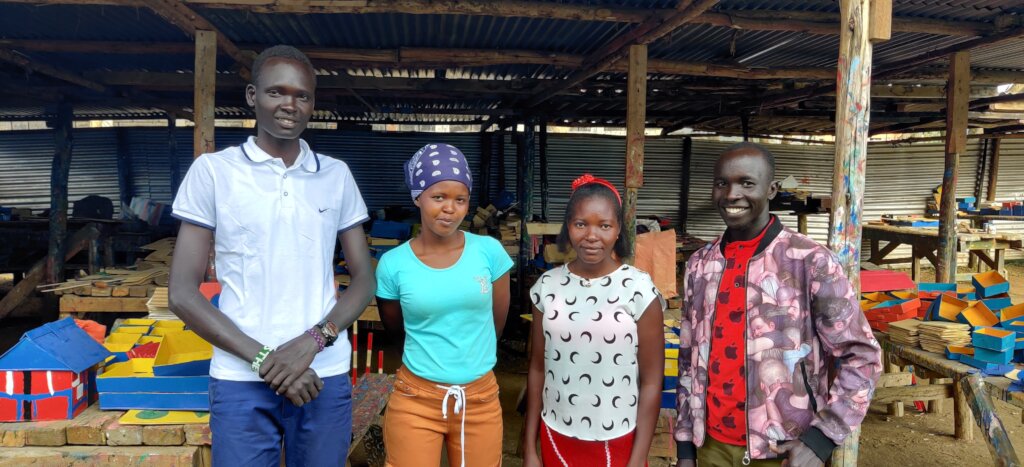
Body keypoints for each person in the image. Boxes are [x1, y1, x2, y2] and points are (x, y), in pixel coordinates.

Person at [168, 45, 375, 466]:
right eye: (277, 92)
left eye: (302, 95)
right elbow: (182, 294)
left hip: (323, 373)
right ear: (251, 96)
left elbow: (365, 279)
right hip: (241, 377)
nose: (290, 105)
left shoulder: (335, 175)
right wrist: (267, 361)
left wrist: (313, 341)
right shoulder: (214, 173)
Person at [673, 142, 881, 467]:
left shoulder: (810, 261)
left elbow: (863, 357)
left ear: (771, 189)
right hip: (711, 445)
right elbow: (688, 361)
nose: (732, 194)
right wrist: (686, 444)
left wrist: (821, 440)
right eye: (722, 183)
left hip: (785, 448)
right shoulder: (700, 264)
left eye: (746, 183)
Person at [375, 143, 513, 467]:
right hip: (415, 400)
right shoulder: (393, 265)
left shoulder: (489, 253)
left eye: (460, 199)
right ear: (418, 197)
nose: (449, 208)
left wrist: (469, 360)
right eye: (439, 197)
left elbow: (497, 325)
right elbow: (396, 332)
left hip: (479, 399)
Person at [523, 173, 665, 467]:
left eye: (604, 225)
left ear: (617, 231)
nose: (591, 235)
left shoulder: (639, 289)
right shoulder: (547, 287)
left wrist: (638, 459)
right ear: (568, 227)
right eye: (580, 224)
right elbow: (537, 369)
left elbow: (652, 381)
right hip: (556, 434)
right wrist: (530, 449)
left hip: (620, 440)